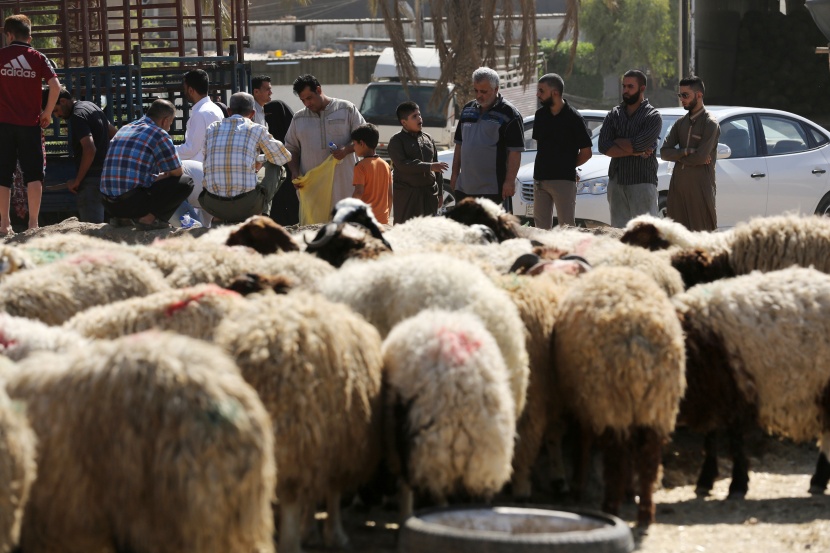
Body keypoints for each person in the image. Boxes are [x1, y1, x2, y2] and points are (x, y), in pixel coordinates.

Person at [0, 14, 61, 234]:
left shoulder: (1, 55)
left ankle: (4, 224)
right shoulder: (38, 57)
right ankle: (33, 224)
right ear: (30, 36)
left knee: (3, 174)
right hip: (30, 124)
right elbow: (55, 86)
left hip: (3, 124)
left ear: (8, 34)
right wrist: (46, 113)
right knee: (34, 174)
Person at [100, 99, 193, 230]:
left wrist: (158, 177)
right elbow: (177, 173)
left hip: (108, 204)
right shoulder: (159, 133)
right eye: (170, 123)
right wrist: (165, 175)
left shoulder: (125, 128)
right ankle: (148, 219)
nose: (169, 127)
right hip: (131, 203)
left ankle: (123, 219)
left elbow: (132, 175)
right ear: (165, 120)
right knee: (186, 182)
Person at [199, 92, 292, 223]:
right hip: (246, 205)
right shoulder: (257, 129)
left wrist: (256, 159)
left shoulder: (212, 129)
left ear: (229, 111)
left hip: (211, 204)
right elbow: (284, 157)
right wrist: (263, 159)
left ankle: (220, 219)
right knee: (276, 167)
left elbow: (206, 158)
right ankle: (261, 216)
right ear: (253, 114)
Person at [284, 74, 365, 208]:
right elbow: (291, 148)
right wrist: (294, 171)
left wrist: (346, 150)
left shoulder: (346, 109)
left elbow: (364, 139)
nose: (307, 103)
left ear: (319, 90)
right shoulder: (299, 118)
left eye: (309, 98)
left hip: (344, 185)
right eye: (303, 100)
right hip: (313, 188)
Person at [450, 67, 524, 208]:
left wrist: (509, 181)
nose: (479, 95)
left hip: (492, 190)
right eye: (476, 90)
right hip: (464, 188)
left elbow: (515, 151)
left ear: (496, 89)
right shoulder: (467, 110)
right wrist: (454, 174)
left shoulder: (510, 114)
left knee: (491, 228)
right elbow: (459, 145)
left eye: (484, 91)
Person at [598, 69, 663, 228]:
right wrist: (636, 151)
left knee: (646, 234)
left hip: (642, 181)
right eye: (624, 86)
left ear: (642, 88)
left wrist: (618, 141)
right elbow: (603, 145)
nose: (625, 90)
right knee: (619, 235)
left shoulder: (652, 116)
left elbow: (640, 144)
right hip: (617, 183)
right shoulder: (614, 114)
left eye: (630, 86)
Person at [46, 87, 117, 223]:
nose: (56, 116)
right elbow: (114, 134)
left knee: (92, 231)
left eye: (55, 110)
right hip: (106, 176)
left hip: (90, 181)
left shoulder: (77, 116)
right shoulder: (91, 106)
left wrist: (77, 180)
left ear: (63, 101)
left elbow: (89, 149)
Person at [532, 73, 593, 229]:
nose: (537, 94)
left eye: (541, 90)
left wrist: (567, 166)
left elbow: (586, 152)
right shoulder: (540, 116)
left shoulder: (574, 118)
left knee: (567, 228)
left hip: (564, 181)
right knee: (540, 230)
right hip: (540, 180)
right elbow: (542, 147)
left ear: (555, 93)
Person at [660, 76, 720, 232]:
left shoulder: (710, 123)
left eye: (685, 95)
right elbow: (664, 152)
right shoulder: (680, 123)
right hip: (677, 189)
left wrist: (678, 157)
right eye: (680, 95)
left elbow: (700, 157)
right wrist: (686, 151)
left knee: (702, 238)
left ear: (699, 95)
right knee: (676, 238)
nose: (682, 100)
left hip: (699, 189)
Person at [175, 69, 225, 225]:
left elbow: (191, 149)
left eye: (185, 89)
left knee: (199, 224)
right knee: (208, 223)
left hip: (200, 176)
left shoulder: (201, 113)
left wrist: (166, 149)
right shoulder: (214, 109)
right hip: (213, 174)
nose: (185, 93)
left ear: (191, 89)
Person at [387, 101, 448, 224]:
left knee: (428, 233)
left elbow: (436, 167)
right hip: (407, 196)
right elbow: (404, 165)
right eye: (414, 116)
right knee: (405, 233)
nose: (419, 118)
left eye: (419, 115)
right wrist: (430, 167)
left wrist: (440, 193)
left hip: (429, 195)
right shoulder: (396, 141)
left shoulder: (428, 138)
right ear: (404, 122)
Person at [264, 98, 298, 226]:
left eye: (271, 116)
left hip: (292, 173)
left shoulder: (293, 138)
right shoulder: (267, 138)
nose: (269, 119)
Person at [351, 123, 391, 225]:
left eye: (354, 144)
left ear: (362, 144)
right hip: (383, 220)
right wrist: (387, 216)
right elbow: (390, 194)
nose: (354, 148)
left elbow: (358, 192)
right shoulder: (386, 165)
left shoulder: (360, 166)